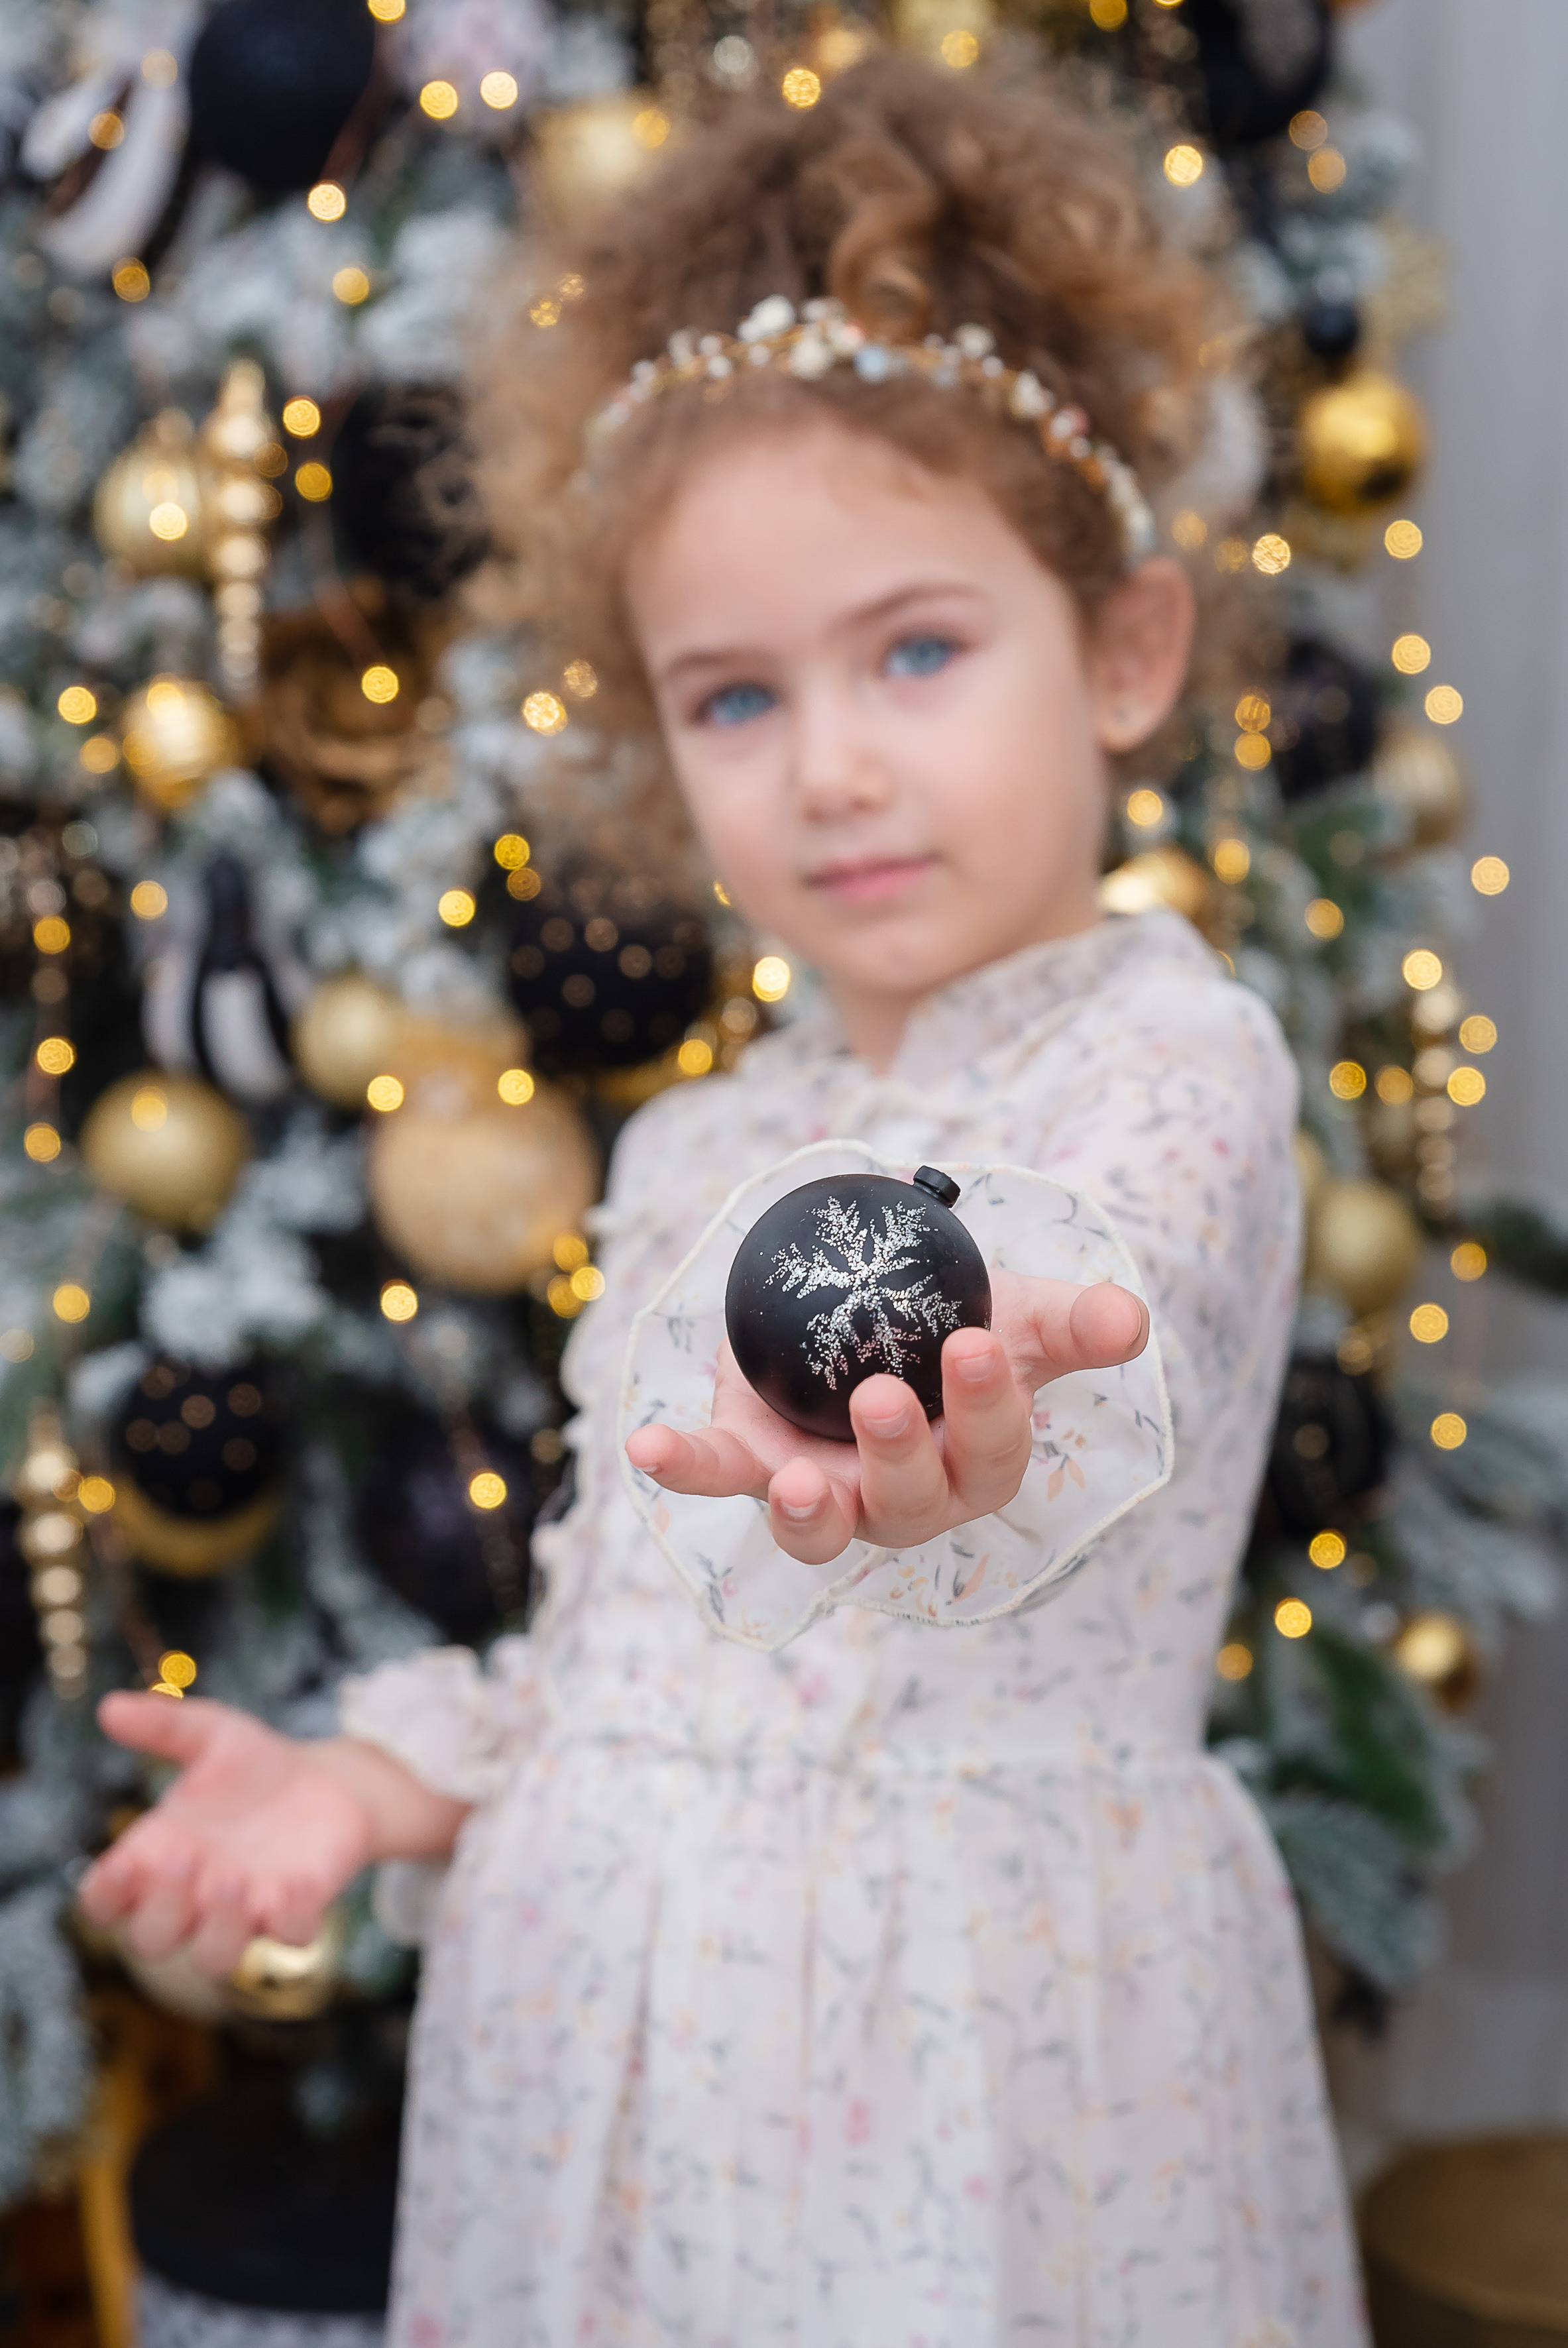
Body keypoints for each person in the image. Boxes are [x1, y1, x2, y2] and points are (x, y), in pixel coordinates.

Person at [80, 56, 1368, 2347]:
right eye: (735, 695)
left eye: (920, 650)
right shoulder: (689, 1145)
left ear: (1130, 651)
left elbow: (1084, 1299)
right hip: (614, 2061)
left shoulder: (1170, 1054)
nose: (835, 764)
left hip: (962, 2057)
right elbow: (625, 1675)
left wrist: (955, 1443)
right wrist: (370, 1780)